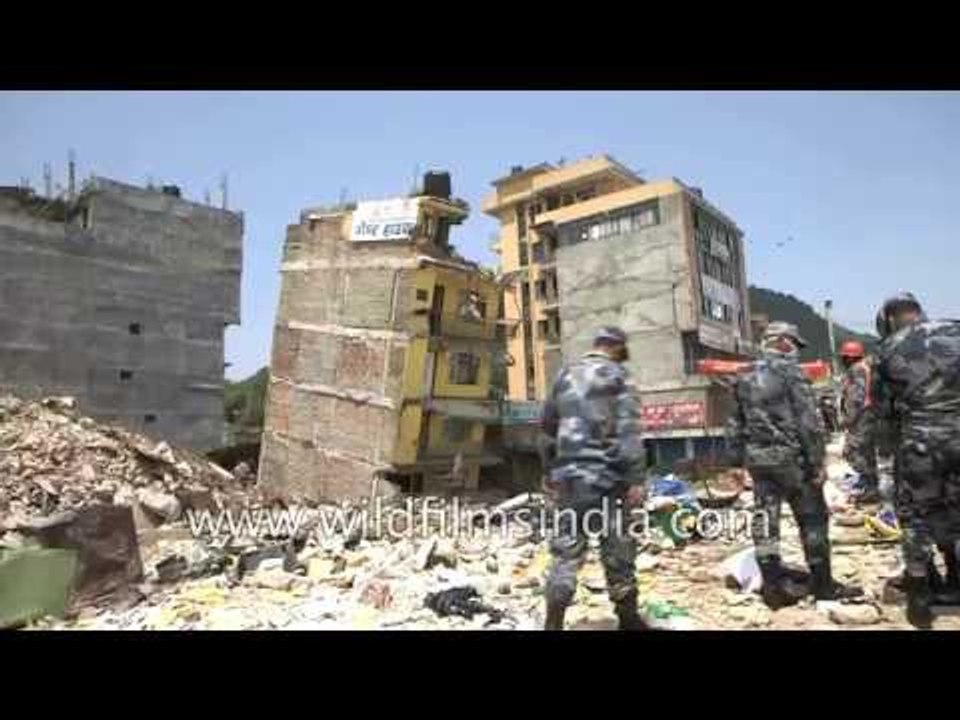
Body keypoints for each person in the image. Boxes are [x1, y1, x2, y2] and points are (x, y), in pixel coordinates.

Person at [727, 321, 861, 609]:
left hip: (759, 462)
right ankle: (824, 587)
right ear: (784, 342)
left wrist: (735, 463)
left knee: (766, 522)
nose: (796, 351)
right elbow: (808, 423)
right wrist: (817, 463)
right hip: (792, 462)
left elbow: (734, 422)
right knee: (812, 521)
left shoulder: (743, 375)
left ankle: (772, 586)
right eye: (794, 345)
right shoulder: (792, 373)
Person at [539, 326, 648, 630]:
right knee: (618, 551)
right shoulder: (618, 377)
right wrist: (636, 479)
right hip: (609, 481)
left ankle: (554, 621)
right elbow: (628, 433)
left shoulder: (564, 375)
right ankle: (628, 619)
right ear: (616, 347)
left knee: (566, 553)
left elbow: (547, 429)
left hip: (571, 481)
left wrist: (550, 471)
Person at [872, 292, 960, 627]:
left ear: (891, 318)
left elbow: (883, 413)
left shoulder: (888, 348)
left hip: (919, 442)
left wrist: (890, 459)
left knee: (917, 519)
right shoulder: (956, 330)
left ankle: (921, 598)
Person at [839, 340, 882, 504]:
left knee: (853, 452)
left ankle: (871, 488)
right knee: (866, 453)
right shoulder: (865, 367)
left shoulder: (856, 370)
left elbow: (856, 398)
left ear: (849, 358)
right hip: (867, 417)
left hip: (861, 418)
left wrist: (847, 420)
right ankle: (871, 485)